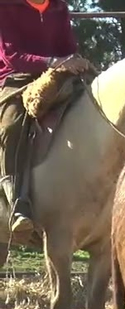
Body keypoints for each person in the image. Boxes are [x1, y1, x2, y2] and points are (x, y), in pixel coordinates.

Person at [0, 0, 94, 234]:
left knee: (93, 108)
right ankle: (16, 202)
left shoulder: (58, 7)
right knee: (11, 125)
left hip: (58, 78)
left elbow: (67, 47)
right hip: (16, 79)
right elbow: (12, 55)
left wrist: (75, 60)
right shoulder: (6, 6)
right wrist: (51, 62)